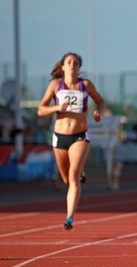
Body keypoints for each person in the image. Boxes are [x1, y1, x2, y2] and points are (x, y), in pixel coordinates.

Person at [37, 52, 105, 230]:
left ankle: (69, 218)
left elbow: (100, 101)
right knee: (67, 179)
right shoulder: (55, 85)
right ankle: (79, 172)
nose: (72, 65)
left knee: (73, 178)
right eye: (69, 62)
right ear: (63, 66)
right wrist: (58, 107)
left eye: (76, 62)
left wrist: (98, 112)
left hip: (79, 135)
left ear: (79, 67)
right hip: (60, 136)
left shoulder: (85, 85)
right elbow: (41, 110)